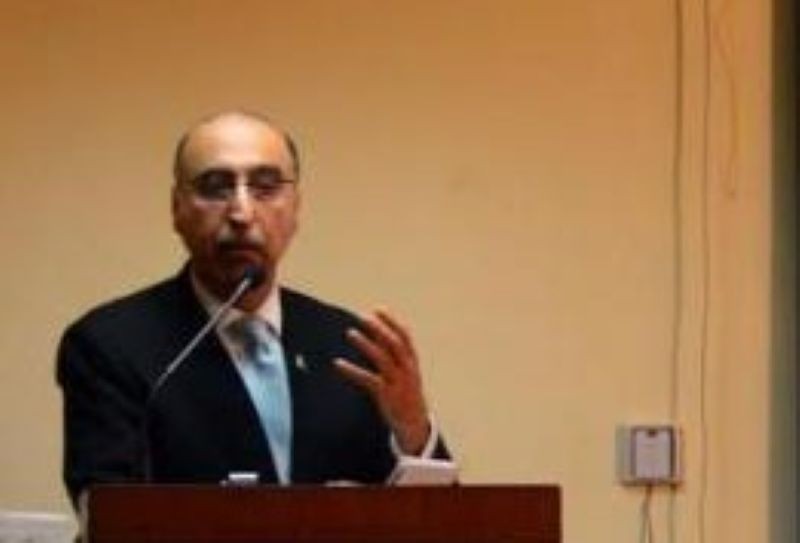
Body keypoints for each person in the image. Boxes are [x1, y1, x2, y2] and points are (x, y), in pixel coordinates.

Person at [56, 110, 448, 509]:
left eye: (265, 187)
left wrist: (414, 433)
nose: (241, 214)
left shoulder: (351, 346)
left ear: (295, 207)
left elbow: (438, 519)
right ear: (177, 208)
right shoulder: (112, 345)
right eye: (215, 188)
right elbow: (106, 513)